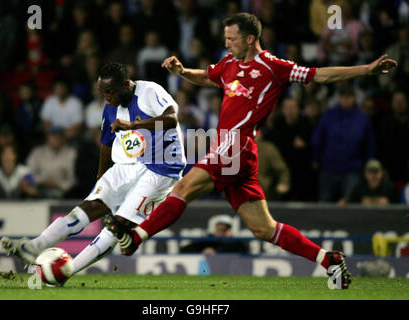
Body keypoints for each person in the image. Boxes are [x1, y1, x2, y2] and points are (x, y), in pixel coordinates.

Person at [107, 13, 397, 290]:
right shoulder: (228, 64)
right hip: (234, 151)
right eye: (225, 38)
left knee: (184, 186)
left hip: (238, 145)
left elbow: (320, 75)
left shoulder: (273, 66)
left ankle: (136, 236)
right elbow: (208, 77)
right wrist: (183, 72)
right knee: (264, 229)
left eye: (231, 39)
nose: (226, 44)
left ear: (249, 38)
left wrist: (366, 69)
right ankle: (328, 260)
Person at [1, 62, 186, 276]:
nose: (106, 96)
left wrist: (133, 125)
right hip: (128, 164)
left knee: (118, 225)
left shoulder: (149, 91)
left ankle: (68, 271)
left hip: (161, 170)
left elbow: (172, 119)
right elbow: (106, 142)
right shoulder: (109, 108)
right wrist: (101, 175)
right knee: (88, 207)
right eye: (102, 91)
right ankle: (34, 247)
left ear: (126, 85)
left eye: (110, 91)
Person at [180, 215, 248, 254]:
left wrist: (217, 251)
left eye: (224, 228)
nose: (220, 230)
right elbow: (186, 249)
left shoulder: (234, 243)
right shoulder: (208, 240)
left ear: (229, 230)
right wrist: (203, 251)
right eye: (219, 227)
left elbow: (244, 252)